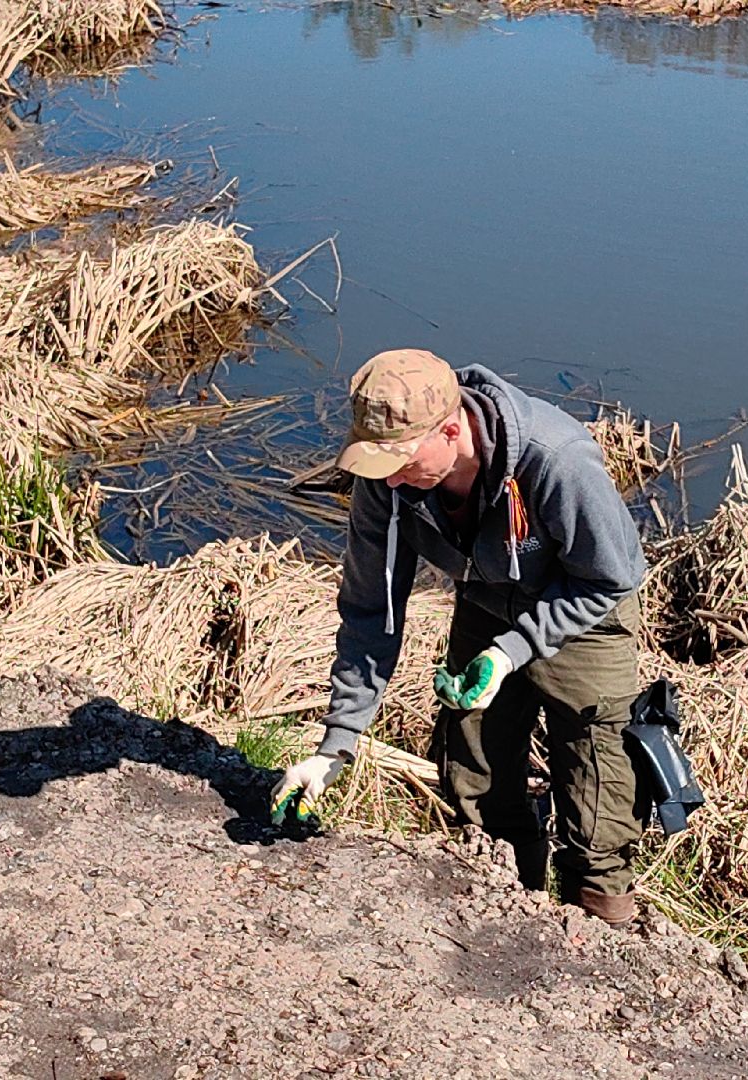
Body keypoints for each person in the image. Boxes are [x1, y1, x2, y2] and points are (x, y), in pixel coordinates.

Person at [270, 348, 648, 924]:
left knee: (598, 802)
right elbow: (372, 611)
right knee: (476, 779)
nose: (389, 477)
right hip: (488, 599)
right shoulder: (385, 480)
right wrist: (334, 748)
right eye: (376, 462)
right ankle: (510, 917)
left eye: (399, 460)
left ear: (452, 429)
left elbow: (610, 579)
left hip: (583, 610)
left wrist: (511, 652)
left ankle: (597, 945)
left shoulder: (558, 461)